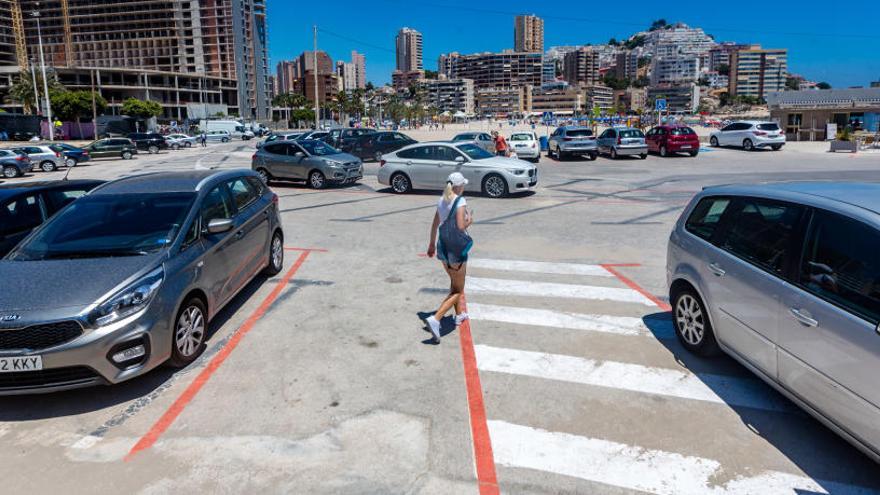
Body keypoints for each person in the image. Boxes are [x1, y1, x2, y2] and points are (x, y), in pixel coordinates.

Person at [425, 172, 474, 343]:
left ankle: (459, 315)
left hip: (443, 247)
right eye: (463, 185)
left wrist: (431, 244)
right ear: (459, 186)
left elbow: (434, 224)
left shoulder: (441, 200)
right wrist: (470, 220)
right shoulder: (460, 201)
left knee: (454, 283)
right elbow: (461, 227)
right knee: (458, 290)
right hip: (456, 250)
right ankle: (436, 318)